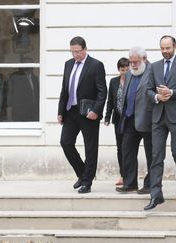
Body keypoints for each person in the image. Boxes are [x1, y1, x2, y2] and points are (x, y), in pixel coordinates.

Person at [145, 35, 176, 210]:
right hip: (158, 116)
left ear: (175, 46)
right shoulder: (154, 67)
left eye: (168, 48)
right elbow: (148, 90)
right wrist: (157, 96)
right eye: (162, 48)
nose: (165, 51)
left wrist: (171, 92)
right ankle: (156, 194)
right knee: (156, 155)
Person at [57, 36, 107, 194]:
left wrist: (96, 111)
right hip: (71, 111)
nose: (76, 55)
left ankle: (87, 183)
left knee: (90, 148)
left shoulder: (96, 65)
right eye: (73, 52)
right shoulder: (68, 64)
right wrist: (60, 111)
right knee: (65, 142)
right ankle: (83, 173)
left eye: (78, 52)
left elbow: (102, 91)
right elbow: (64, 89)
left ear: (85, 49)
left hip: (88, 113)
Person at [115, 46, 153, 194]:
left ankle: (150, 184)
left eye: (136, 61)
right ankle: (130, 183)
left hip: (147, 119)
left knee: (151, 154)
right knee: (127, 150)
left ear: (144, 59)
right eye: (131, 62)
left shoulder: (153, 71)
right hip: (130, 118)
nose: (133, 64)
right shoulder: (130, 73)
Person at [105, 57, 129, 187]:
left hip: (130, 119)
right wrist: (107, 117)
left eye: (126, 69)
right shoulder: (113, 82)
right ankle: (123, 175)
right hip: (118, 119)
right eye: (122, 69)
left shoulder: (133, 80)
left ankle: (130, 175)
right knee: (120, 148)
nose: (124, 72)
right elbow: (110, 101)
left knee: (128, 148)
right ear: (118, 69)